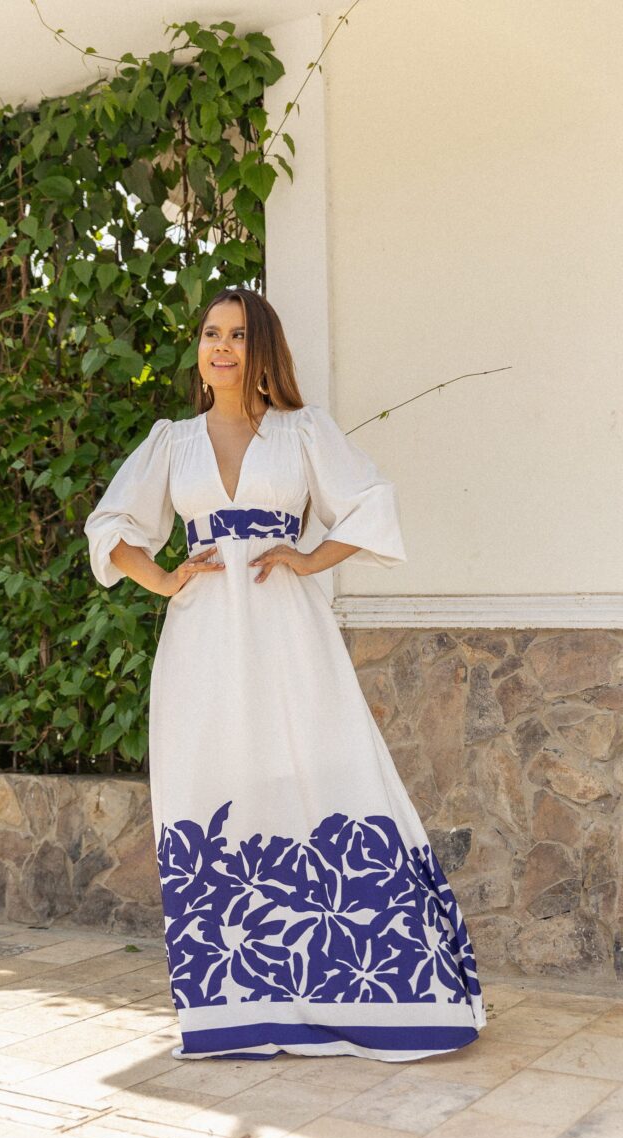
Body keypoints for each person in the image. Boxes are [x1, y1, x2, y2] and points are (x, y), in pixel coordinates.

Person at [84, 287, 487, 1061]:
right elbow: (111, 526)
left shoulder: (303, 432)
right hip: (202, 640)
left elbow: (370, 503)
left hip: (289, 632)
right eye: (211, 333)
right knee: (212, 793)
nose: (220, 347)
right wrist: (162, 579)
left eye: (237, 334)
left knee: (332, 778)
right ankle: (240, 1007)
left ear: (262, 346)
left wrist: (308, 558)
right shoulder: (172, 442)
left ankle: (386, 995)